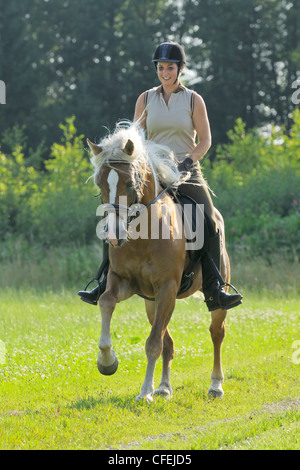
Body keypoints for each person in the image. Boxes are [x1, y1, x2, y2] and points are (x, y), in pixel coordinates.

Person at [78, 41, 242, 311]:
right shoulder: (145, 99)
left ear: (180, 69)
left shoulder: (193, 99)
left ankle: (214, 289)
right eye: (161, 68)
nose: (165, 72)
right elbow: (135, 138)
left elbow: (206, 140)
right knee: (114, 214)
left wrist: (188, 161)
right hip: (153, 171)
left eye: (170, 68)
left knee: (210, 221)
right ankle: (104, 280)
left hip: (186, 172)